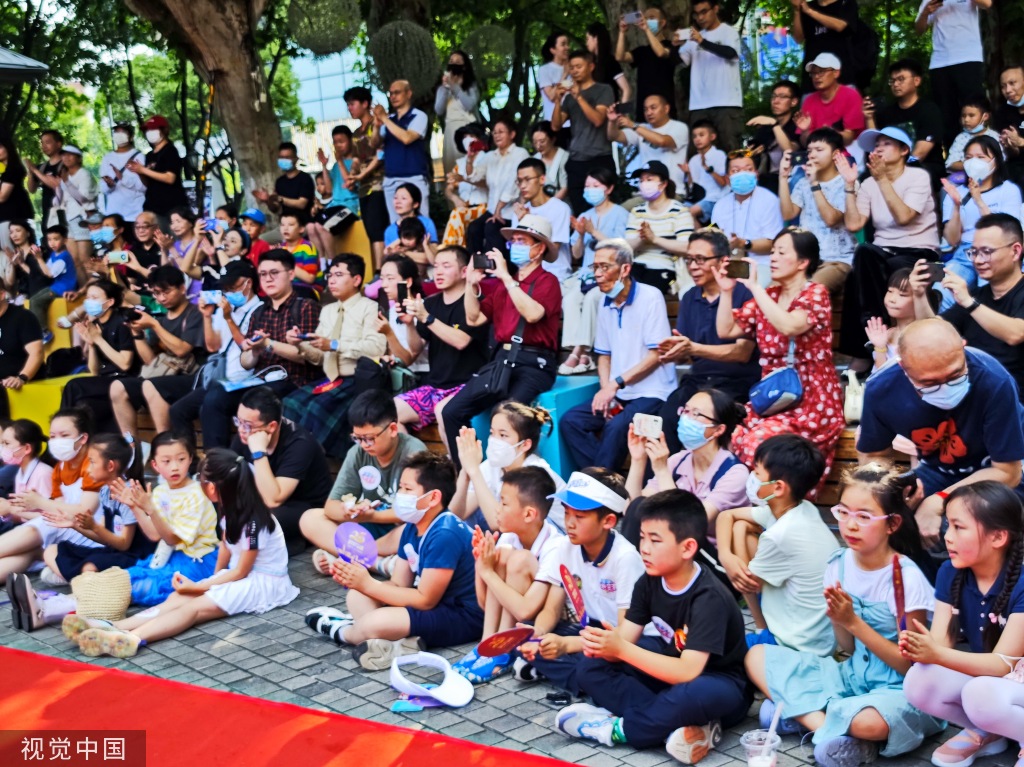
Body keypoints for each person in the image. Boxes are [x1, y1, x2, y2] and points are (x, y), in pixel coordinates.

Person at [746, 463, 944, 765]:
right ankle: (829, 729)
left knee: (870, 723)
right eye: (844, 512)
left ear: (892, 524)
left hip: (898, 690)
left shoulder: (906, 578)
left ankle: (805, 715)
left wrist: (852, 621)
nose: (850, 525)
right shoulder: (837, 565)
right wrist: (839, 621)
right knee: (757, 656)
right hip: (850, 678)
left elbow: (910, 667)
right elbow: (848, 649)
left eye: (864, 516)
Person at [555, 490, 750, 763]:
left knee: (689, 695)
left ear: (688, 548)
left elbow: (687, 671)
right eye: (643, 537)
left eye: (655, 540)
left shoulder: (709, 597)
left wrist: (620, 648)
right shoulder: (648, 581)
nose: (644, 548)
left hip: (719, 683)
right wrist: (602, 643)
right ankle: (681, 727)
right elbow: (625, 640)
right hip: (670, 668)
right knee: (590, 666)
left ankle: (618, 729)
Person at [67, 447, 300, 660]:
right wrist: (210, 581)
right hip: (240, 576)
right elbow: (225, 549)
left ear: (211, 487)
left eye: (202, 479)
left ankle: (134, 637)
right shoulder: (232, 509)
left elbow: (241, 571)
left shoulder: (253, 522)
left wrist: (201, 587)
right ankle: (117, 626)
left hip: (262, 582)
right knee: (178, 598)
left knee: (193, 607)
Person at [856, 318, 1024, 546]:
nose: (945, 388)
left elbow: (1008, 473)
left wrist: (941, 500)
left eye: (955, 376)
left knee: (969, 529)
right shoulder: (882, 388)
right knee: (890, 522)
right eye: (930, 383)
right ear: (903, 366)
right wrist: (891, 491)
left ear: (962, 347)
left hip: (998, 473)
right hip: (937, 470)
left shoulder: (993, 379)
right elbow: (873, 457)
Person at [309, 452, 485, 670]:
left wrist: (369, 584)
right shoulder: (414, 524)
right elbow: (399, 583)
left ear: (433, 497)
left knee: (373, 621)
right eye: (400, 487)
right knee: (357, 596)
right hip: (438, 605)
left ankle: (342, 631)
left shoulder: (445, 533)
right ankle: (397, 644)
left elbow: (425, 600)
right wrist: (359, 582)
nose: (400, 495)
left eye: (408, 489)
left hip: (462, 616)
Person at [901, 482, 1024, 767]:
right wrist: (921, 649)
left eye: (959, 527)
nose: (947, 536)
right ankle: (990, 731)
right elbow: (940, 649)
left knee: (980, 693)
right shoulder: (951, 572)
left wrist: (936, 653)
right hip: (997, 686)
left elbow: (1004, 665)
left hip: (1011, 680)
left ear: (998, 537)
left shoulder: (1021, 580)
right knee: (920, 680)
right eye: (948, 526)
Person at [715, 228, 845, 483]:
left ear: (803, 262)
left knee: (759, 443)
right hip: (772, 401)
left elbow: (789, 325)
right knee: (724, 432)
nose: (772, 257)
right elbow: (725, 329)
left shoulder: (815, 293)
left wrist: (754, 287)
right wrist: (726, 291)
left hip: (811, 404)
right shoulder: (770, 296)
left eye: (781, 252)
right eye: (772, 251)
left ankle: (774, 507)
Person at [442, 216, 562, 466]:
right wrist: (471, 285)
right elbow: (473, 318)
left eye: (522, 240)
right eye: (513, 241)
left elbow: (533, 314)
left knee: (507, 416)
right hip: (502, 361)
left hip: (534, 363)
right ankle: (468, 475)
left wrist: (507, 278)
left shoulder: (547, 281)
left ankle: (509, 475)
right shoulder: (500, 287)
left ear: (539, 249)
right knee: (451, 412)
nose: (515, 245)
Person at [517, 468, 644, 694]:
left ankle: (581, 678)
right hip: (590, 628)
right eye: (566, 513)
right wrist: (539, 635)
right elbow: (552, 608)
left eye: (580, 516)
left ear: (608, 521)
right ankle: (581, 677)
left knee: (592, 666)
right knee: (523, 637)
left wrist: (565, 645)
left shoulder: (625, 558)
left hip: (627, 638)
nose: (569, 523)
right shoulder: (565, 547)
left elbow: (625, 635)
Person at [560, 239, 676, 472]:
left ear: (625, 269)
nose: (598, 274)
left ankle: (599, 486)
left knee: (616, 428)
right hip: (620, 392)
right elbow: (604, 355)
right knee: (571, 421)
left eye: (605, 267)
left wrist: (615, 384)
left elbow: (656, 355)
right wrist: (607, 390)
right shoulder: (603, 301)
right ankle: (607, 482)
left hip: (653, 392)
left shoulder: (650, 296)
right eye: (595, 268)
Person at [715, 434, 839, 652]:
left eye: (757, 472)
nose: (752, 476)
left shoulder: (781, 534)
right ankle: (762, 630)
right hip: (820, 637)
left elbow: (747, 583)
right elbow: (727, 516)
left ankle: (763, 634)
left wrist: (732, 563)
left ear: (778, 487)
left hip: (794, 645)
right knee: (740, 527)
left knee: (716, 651)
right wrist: (725, 555)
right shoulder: (801, 508)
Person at [197, 249, 319, 450]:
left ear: (290, 274)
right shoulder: (259, 311)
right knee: (215, 397)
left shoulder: (305, 306)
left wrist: (269, 344)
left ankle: (243, 460)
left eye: (274, 273)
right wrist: (254, 351)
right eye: (263, 274)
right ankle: (216, 460)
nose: (268, 279)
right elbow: (246, 362)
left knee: (257, 401)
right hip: (259, 379)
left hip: (293, 380)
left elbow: (308, 358)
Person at [451, 466, 563, 683]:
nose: (497, 510)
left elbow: (524, 611)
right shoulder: (509, 539)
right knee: (503, 554)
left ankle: (502, 651)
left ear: (529, 514)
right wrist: (481, 563)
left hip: (541, 625)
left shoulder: (556, 546)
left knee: (519, 559)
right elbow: (485, 604)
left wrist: (488, 572)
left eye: (503, 503)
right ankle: (487, 644)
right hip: (516, 618)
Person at [837, 126, 940, 362]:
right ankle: (868, 345)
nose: (879, 148)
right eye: (876, 145)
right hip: (883, 252)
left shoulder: (918, 176)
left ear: (904, 150)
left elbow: (904, 217)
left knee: (888, 267)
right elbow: (854, 224)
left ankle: (875, 344)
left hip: (919, 251)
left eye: (886, 144)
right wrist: (850, 184)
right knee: (862, 257)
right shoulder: (868, 183)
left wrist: (882, 179)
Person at [301, 390, 427, 577]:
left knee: (414, 530)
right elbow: (330, 507)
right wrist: (350, 511)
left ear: (392, 429)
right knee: (310, 518)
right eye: (358, 438)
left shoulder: (414, 453)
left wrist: (373, 516)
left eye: (369, 438)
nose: (364, 445)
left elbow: (417, 511)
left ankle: (346, 556)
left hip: (397, 529)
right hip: (367, 529)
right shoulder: (357, 453)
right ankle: (378, 563)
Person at [655, 230, 759, 452]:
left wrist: (693, 347)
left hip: (735, 384)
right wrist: (675, 351)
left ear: (723, 261)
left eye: (700, 259)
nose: (693, 266)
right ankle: (670, 482)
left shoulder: (744, 294)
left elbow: (742, 352)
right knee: (665, 419)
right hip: (698, 380)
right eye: (689, 259)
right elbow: (687, 351)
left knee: (706, 420)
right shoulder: (690, 297)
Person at [280, 254, 386, 458]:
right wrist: (300, 344)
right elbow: (320, 356)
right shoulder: (327, 310)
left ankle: (315, 463)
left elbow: (375, 348)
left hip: (355, 380)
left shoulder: (370, 308)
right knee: (288, 403)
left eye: (338, 275)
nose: (331, 280)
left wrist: (334, 345)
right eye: (329, 275)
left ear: (356, 280)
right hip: (330, 378)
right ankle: (293, 459)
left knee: (316, 410)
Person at [145, 260, 261, 435]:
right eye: (225, 288)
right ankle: (189, 460)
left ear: (248, 283)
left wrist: (229, 319)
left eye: (232, 287)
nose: (228, 292)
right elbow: (213, 347)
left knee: (211, 403)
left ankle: (218, 459)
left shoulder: (259, 310)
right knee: (178, 410)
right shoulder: (225, 309)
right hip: (220, 377)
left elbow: (247, 346)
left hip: (244, 380)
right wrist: (207, 316)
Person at [625, 389, 750, 547]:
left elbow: (688, 526)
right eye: (685, 410)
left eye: (695, 414)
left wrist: (662, 470)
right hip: (676, 549)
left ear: (719, 429)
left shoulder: (735, 474)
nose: (685, 418)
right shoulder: (678, 460)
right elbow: (632, 512)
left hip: (708, 555)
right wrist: (638, 459)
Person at [919, 215, 1024, 401]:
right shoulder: (978, 296)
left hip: (1015, 401)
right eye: (973, 252)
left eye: (986, 251)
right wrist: (918, 295)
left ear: (1015, 251)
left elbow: (1016, 334)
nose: (978, 260)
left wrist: (968, 302)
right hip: (975, 398)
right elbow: (932, 330)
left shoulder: (972, 300)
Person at [393, 246, 491, 447]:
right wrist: (410, 322)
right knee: (388, 414)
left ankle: (457, 471)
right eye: (435, 266)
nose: (438, 272)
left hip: (468, 384)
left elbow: (461, 341)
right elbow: (416, 348)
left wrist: (426, 318)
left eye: (446, 266)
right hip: (434, 386)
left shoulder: (474, 302)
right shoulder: (430, 303)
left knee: (444, 412)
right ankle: (420, 465)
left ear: (465, 272)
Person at [113, 431, 219, 606]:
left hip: (197, 560)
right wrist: (134, 507)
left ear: (191, 459)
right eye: (166, 461)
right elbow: (155, 535)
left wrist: (150, 509)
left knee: (146, 587)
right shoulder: (160, 491)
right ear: (155, 465)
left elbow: (171, 538)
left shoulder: (197, 494)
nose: (175, 467)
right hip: (170, 556)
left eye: (181, 459)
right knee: (126, 579)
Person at [0, 408, 100, 582]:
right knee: (30, 550)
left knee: (39, 527)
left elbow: (84, 512)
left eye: (64, 435)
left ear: (83, 438)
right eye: (53, 436)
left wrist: (38, 503)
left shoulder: (95, 465)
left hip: (93, 533)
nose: (56, 441)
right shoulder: (60, 467)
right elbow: (59, 511)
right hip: (64, 529)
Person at [229, 386, 331, 551]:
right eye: (238, 422)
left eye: (247, 425)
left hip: (305, 507)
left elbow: (274, 499)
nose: (241, 430)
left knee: (263, 520)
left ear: (271, 426)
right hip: (262, 499)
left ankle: (296, 540)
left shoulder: (300, 443)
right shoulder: (245, 435)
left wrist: (259, 453)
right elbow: (227, 476)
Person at [109, 265, 205, 436]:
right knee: (118, 387)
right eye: (156, 293)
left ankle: (165, 442)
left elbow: (182, 350)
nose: (161, 298)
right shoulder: (161, 319)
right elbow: (150, 361)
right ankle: (131, 448)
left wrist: (154, 325)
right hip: (164, 375)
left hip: (192, 378)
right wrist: (136, 333)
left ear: (182, 288)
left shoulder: (196, 313)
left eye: (166, 292)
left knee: (151, 385)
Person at [44, 434, 153, 581]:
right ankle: (80, 580)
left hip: (132, 557)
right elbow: (105, 538)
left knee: (90, 567)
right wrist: (75, 525)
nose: (88, 469)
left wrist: (94, 527)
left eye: (92, 462)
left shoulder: (128, 495)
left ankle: (77, 580)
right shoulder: (105, 491)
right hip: (112, 551)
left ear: (110, 466)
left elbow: (124, 545)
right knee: (51, 551)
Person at [452, 400, 567, 534]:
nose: (494, 440)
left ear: (525, 445)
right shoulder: (491, 466)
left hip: (555, 538)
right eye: (492, 433)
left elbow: (499, 523)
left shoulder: (534, 474)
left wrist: (474, 471)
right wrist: (466, 471)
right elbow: (456, 516)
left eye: (503, 435)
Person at [561, 167, 629, 375]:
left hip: (611, 276)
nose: (590, 190)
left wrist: (593, 232)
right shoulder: (585, 215)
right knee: (571, 299)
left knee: (592, 299)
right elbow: (576, 253)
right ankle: (579, 352)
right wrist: (581, 235)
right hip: (586, 275)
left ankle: (581, 352)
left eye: (595, 186)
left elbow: (621, 248)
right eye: (587, 186)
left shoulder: (620, 214)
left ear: (609, 189)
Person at [939, 137, 1022, 303]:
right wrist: (956, 205)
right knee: (943, 291)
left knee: (990, 293)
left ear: (995, 161)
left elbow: (1008, 233)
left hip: (997, 253)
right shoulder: (955, 192)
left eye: (981, 157)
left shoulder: (1008, 190)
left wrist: (978, 201)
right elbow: (952, 239)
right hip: (965, 254)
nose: (973, 162)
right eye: (969, 158)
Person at [778, 128, 858, 293]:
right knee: (774, 288)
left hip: (837, 261)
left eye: (819, 150)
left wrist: (815, 184)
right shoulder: (802, 183)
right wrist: (783, 178)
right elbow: (788, 214)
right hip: (805, 260)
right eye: (809, 151)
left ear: (836, 154)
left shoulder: (847, 181)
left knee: (809, 291)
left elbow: (831, 219)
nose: (812, 155)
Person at [58, 280, 137, 431]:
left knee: (73, 385)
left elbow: (125, 364)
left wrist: (99, 340)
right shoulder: (96, 325)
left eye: (94, 298)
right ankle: (73, 436)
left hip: (124, 380)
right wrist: (92, 344)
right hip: (105, 380)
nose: (88, 301)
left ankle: (63, 427)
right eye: (87, 297)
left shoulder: (122, 323)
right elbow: (94, 372)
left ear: (109, 302)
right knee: (85, 406)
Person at [915, 0, 989, 153]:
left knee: (975, 108)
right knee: (946, 116)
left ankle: (982, 154)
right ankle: (953, 161)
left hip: (968, 57)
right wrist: (925, 12)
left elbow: (987, 4)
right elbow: (919, 29)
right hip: (939, 62)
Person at [552, 50, 615, 215]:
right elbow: (556, 126)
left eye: (579, 66)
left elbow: (598, 120)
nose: (574, 71)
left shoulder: (603, 90)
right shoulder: (569, 97)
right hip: (576, 161)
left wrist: (579, 97)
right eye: (571, 67)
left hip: (600, 158)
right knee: (580, 213)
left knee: (603, 211)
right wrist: (558, 101)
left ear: (591, 66)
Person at [865, 59, 944, 186]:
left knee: (916, 175)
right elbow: (875, 145)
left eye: (901, 79)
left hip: (924, 166)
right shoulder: (887, 112)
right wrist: (869, 118)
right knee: (866, 177)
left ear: (916, 81)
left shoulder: (929, 110)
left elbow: (920, 152)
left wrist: (898, 170)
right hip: (890, 165)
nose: (895, 84)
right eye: (893, 80)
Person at [710, 152, 784, 286]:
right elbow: (715, 241)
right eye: (736, 171)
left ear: (756, 174)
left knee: (745, 290)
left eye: (748, 169)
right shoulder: (720, 206)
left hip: (761, 264)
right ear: (727, 178)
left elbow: (773, 243)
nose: (742, 174)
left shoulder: (769, 200)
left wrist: (743, 243)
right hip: (729, 264)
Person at [678, 0, 743, 152]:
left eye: (704, 12)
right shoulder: (693, 38)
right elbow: (679, 61)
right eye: (696, 14)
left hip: (726, 103)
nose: (700, 17)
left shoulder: (728, 32)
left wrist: (702, 42)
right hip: (699, 105)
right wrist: (677, 46)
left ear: (715, 9)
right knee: (699, 153)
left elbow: (731, 53)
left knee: (730, 150)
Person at [625, 160, 695, 295]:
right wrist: (642, 238)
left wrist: (654, 239)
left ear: (663, 184)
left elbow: (687, 247)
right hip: (637, 266)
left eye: (649, 179)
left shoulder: (679, 211)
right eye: (642, 180)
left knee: (645, 294)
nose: (644, 183)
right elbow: (627, 246)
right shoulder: (637, 212)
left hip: (665, 268)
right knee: (622, 290)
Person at [463, 116, 530, 254]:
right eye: (494, 132)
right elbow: (474, 176)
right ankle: (476, 266)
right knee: (473, 228)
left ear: (512, 134)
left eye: (501, 131)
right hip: (493, 210)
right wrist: (470, 159)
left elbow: (513, 185)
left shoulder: (520, 154)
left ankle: (494, 269)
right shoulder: (490, 156)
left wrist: (498, 210)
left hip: (511, 212)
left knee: (491, 228)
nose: (497, 135)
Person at [371, 80, 431, 224]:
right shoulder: (390, 120)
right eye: (390, 93)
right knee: (396, 224)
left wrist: (384, 118)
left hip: (414, 177)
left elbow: (407, 138)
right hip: (391, 179)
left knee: (421, 223)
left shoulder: (419, 116)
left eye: (397, 92)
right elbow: (375, 144)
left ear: (408, 93)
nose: (393, 96)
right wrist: (376, 126)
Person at [507, 158, 573, 279]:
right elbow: (516, 251)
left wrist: (526, 220)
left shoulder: (560, 208)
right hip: (525, 274)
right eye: (519, 181)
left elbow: (551, 253)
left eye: (527, 180)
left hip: (555, 275)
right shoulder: (518, 212)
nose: (522, 186)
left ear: (542, 179)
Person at [345, 86, 387, 270]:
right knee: (371, 230)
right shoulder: (355, 133)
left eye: (352, 104)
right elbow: (355, 159)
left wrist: (362, 174)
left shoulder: (377, 125)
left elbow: (380, 154)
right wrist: (352, 176)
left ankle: (380, 270)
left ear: (365, 104)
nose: (349, 108)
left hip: (379, 185)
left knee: (378, 229)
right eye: (348, 105)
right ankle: (376, 269)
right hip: (363, 187)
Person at [607, 94, 690, 190]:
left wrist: (633, 125)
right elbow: (614, 136)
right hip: (646, 192)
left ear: (666, 108)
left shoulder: (679, 127)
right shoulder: (642, 128)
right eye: (645, 109)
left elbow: (662, 141)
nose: (649, 112)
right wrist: (612, 121)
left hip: (672, 191)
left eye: (653, 108)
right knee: (624, 206)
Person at [615, 8, 679, 118]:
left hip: (665, 110)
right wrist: (621, 32)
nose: (646, 21)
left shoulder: (672, 45)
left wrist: (646, 29)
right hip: (643, 112)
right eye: (645, 18)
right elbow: (619, 56)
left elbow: (660, 52)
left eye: (652, 18)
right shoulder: (642, 51)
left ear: (662, 23)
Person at [49, 146, 99, 285]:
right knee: (75, 261)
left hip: (83, 219)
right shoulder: (65, 176)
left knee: (85, 260)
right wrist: (57, 188)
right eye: (64, 155)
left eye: (71, 155)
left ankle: (96, 291)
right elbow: (58, 202)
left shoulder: (84, 174)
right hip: (69, 219)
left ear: (79, 158)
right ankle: (85, 292)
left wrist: (66, 183)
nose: (66, 157)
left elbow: (84, 198)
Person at [129, 115, 188, 229]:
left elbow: (170, 178)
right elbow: (148, 183)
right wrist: (139, 172)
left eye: (153, 129)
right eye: (148, 130)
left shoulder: (170, 151)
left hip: (170, 207)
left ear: (164, 130)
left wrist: (144, 170)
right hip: (152, 206)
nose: (149, 133)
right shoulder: (150, 155)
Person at [795, 53, 865, 147]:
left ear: (836, 73)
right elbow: (805, 143)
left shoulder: (851, 95)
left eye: (821, 72)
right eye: (813, 73)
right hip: (817, 151)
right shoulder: (809, 100)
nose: (816, 77)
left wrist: (829, 134)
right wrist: (805, 131)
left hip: (848, 149)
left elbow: (850, 137)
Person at [744, 80, 800, 195]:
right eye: (773, 96)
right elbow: (749, 152)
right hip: (764, 178)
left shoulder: (797, 125)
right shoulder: (765, 127)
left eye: (782, 97)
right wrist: (752, 153)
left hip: (789, 179)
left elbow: (790, 150)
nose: (776, 101)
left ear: (793, 102)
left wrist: (774, 125)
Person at [791, 0, 858, 92]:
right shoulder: (808, 6)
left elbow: (841, 26)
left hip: (842, 79)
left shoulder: (846, 3)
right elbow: (798, 38)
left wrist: (810, 12)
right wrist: (797, 10)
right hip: (813, 81)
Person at [0, 420, 52, 535]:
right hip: (26, 529)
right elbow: (22, 516)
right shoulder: (20, 472)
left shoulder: (43, 473)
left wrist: (11, 509)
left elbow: (51, 518)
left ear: (27, 448)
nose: (3, 448)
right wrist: (6, 513)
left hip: (41, 535)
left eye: (6, 443)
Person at [442, 123, 490, 246]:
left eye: (471, 136)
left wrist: (464, 179)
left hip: (484, 207)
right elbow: (448, 189)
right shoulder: (460, 164)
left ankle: (449, 248)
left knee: (456, 214)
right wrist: (455, 198)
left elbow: (488, 183)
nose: (467, 139)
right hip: (464, 207)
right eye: (464, 137)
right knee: (458, 213)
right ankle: (458, 251)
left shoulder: (488, 159)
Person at [435, 50, 480, 175]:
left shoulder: (471, 86)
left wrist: (455, 87)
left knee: (471, 165)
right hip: (450, 130)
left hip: (468, 129)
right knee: (452, 169)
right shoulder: (442, 88)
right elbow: (439, 110)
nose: (454, 64)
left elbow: (469, 105)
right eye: (451, 61)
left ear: (464, 66)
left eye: (458, 62)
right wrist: (445, 88)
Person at [252, 142, 315, 223]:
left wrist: (280, 199)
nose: (284, 160)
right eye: (281, 157)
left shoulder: (305, 178)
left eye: (287, 157)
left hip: (303, 224)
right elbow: (276, 209)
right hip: (284, 225)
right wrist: (268, 200)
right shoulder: (279, 182)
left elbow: (302, 204)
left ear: (296, 159)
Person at [682, 119, 729, 223]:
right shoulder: (694, 159)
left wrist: (708, 169)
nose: (697, 139)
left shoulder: (719, 155)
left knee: (689, 213)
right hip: (697, 199)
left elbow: (723, 182)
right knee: (679, 213)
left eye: (701, 135)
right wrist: (688, 172)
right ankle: (697, 237)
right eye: (694, 136)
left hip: (714, 199)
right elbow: (692, 186)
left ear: (712, 137)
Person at [99, 123, 146, 224]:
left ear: (131, 137)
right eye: (116, 132)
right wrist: (109, 185)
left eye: (123, 132)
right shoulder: (107, 158)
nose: (119, 135)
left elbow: (144, 187)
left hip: (135, 214)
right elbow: (102, 188)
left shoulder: (139, 156)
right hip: (113, 214)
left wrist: (123, 179)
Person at [946, 95, 1001, 172]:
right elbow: (951, 163)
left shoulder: (995, 137)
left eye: (971, 115)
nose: (966, 119)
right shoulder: (960, 138)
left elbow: (1000, 162)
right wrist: (972, 166)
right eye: (963, 116)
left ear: (985, 116)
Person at [0, 133, 34, 252]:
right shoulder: (3, 170)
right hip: (5, 218)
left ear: (8, 147)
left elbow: (2, 197)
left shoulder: (13, 168)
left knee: (16, 254)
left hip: (14, 217)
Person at [278, 211, 320, 300]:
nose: (285, 228)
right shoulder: (280, 249)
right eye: (282, 225)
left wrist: (286, 263)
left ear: (301, 229)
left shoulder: (307, 247)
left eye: (291, 225)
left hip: (308, 289)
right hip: (287, 288)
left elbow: (310, 279)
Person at [25, 129, 63, 231]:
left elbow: (56, 185)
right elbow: (31, 189)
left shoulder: (66, 164)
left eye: (48, 142)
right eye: (42, 143)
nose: (44, 146)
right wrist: (30, 171)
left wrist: (34, 170)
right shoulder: (42, 167)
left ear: (59, 144)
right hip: (48, 216)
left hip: (64, 215)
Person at [993, 64, 1024, 185]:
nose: (1008, 90)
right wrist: (1011, 146)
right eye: (1003, 86)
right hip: (1015, 167)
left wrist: (1021, 142)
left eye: (1012, 83)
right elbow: (1014, 154)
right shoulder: (1002, 112)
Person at [586, 22, 630, 105]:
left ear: (595, 38)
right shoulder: (591, 62)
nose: (586, 43)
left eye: (588, 39)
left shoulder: (610, 61)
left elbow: (626, 89)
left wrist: (621, 112)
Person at [538, 30, 571, 123]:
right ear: (553, 50)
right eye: (563, 44)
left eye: (567, 44)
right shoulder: (545, 70)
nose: (567, 47)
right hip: (554, 123)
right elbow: (552, 96)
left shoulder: (574, 68)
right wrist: (565, 74)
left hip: (574, 123)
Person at [531, 121, 569, 201]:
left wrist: (549, 206)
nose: (538, 146)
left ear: (553, 139)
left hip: (559, 205)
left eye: (542, 141)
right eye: (535, 142)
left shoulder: (565, 157)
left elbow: (565, 188)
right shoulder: (534, 159)